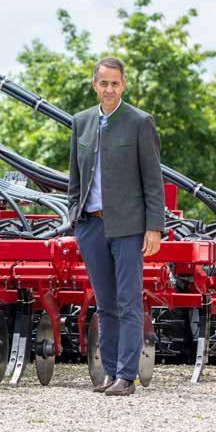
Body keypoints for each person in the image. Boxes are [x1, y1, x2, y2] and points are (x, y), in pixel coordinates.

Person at [68, 56, 164, 396]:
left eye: (114, 83)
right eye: (103, 83)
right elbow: (75, 178)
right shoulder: (80, 122)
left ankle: (126, 376)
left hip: (127, 228)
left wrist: (154, 227)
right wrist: (75, 219)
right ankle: (110, 373)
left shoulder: (139, 122)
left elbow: (153, 180)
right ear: (94, 85)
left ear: (123, 85)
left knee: (128, 302)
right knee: (105, 303)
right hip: (91, 226)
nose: (109, 89)